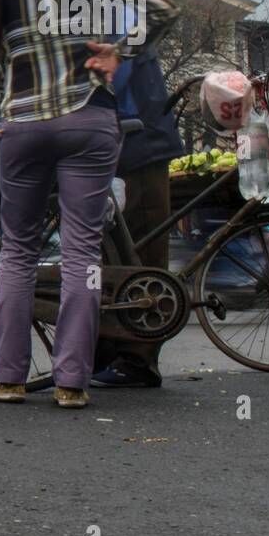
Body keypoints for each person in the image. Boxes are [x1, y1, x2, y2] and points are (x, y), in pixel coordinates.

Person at [0, 0, 178, 409]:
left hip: (20, 126)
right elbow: (161, 4)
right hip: (86, 117)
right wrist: (118, 50)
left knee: (16, 251)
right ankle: (71, 382)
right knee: (82, 253)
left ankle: (8, 378)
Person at [91, 45, 183, 387]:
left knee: (142, 252)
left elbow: (120, 72)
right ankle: (105, 351)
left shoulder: (123, 20)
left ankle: (138, 359)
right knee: (110, 255)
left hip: (141, 141)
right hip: (118, 143)